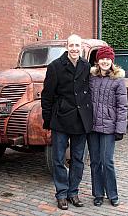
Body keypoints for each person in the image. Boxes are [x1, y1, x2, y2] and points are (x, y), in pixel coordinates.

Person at [41, 34, 93, 210]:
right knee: (58, 159)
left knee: (78, 159)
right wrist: (47, 120)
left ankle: (73, 192)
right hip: (61, 119)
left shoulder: (86, 66)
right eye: (71, 45)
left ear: (81, 47)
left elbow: (90, 91)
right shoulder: (55, 66)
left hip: (81, 120)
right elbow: (47, 96)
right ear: (67, 46)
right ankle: (61, 193)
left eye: (77, 45)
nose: (74, 48)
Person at [87, 46, 128, 207]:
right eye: (102, 58)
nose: (104, 61)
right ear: (97, 61)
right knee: (95, 162)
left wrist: (120, 129)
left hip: (109, 128)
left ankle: (112, 194)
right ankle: (98, 194)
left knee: (107, 161)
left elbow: (122, 106)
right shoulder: (91, 78)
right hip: (92, 127)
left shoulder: (118, 80)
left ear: (112, 61)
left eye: (108, 59)